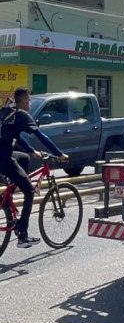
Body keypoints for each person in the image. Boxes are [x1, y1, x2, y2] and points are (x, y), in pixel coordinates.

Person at [0, 87, 69, 247]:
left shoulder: (8, 111)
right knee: (30, 191)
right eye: (29, 100)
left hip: (3, 155)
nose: (29, 104)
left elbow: (16, 139)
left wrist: (31, 151)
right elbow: (41, 136)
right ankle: (23, 236)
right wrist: (59, 153)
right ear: (24, 101)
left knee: (23, 158)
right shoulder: (22, 115)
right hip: (3, 159)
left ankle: (9, 190)